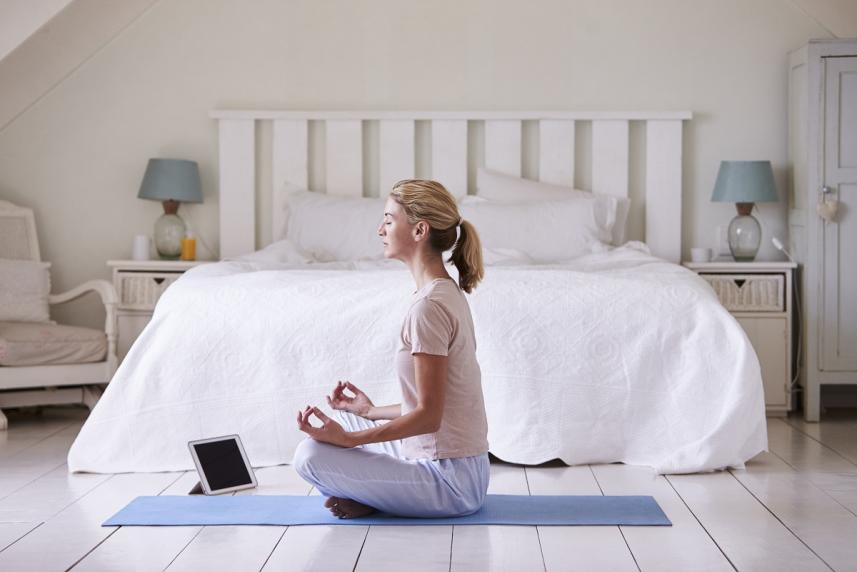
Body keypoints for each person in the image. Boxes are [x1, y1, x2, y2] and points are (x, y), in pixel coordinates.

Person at [292, 179, 490, 519]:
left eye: (388, 219)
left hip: (451, 481)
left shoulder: (428, 307)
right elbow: (437, 403)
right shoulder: (446, 292)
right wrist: (368, 412)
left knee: (309, 457)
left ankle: (380, 498)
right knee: (340, 425)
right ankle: (381, 495)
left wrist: (351, 442)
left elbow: (429, 415)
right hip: (458, 464)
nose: (380, 229)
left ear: (419, 230)